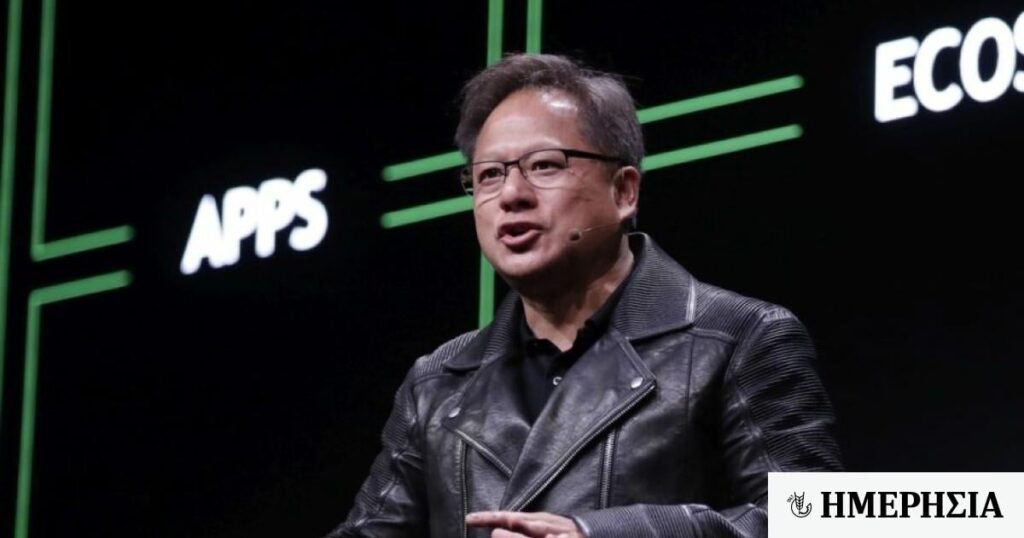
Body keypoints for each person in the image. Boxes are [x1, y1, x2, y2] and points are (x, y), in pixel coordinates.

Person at [326, 53, 841, 538]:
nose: (511, 195)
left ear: (624, 191)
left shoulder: (742, 337)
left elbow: (827, 519)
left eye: (545, 165)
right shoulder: (436, 383)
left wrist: (601, 533)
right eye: (488, 175)